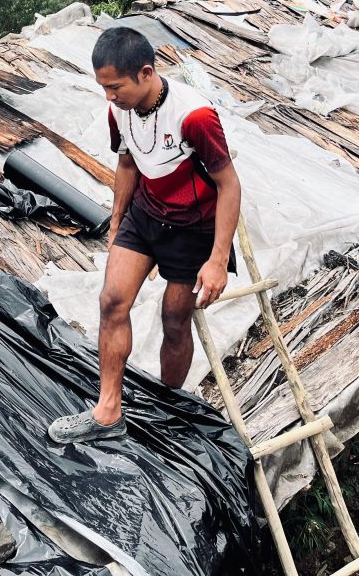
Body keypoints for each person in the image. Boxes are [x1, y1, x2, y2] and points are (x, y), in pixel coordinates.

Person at [48, 27, 242, 445]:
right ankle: (108, 411)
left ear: (146, 74)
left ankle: (168, 406)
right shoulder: (119, 110)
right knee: (112, 300)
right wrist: (117, 219)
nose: (109, 97)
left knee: (175, 320)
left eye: (115, 87)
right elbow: (128, 163)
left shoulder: (195, 116)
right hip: (145, 215)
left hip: (193, 228)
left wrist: (217, 258)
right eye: (103, 87)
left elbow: (230, 186)